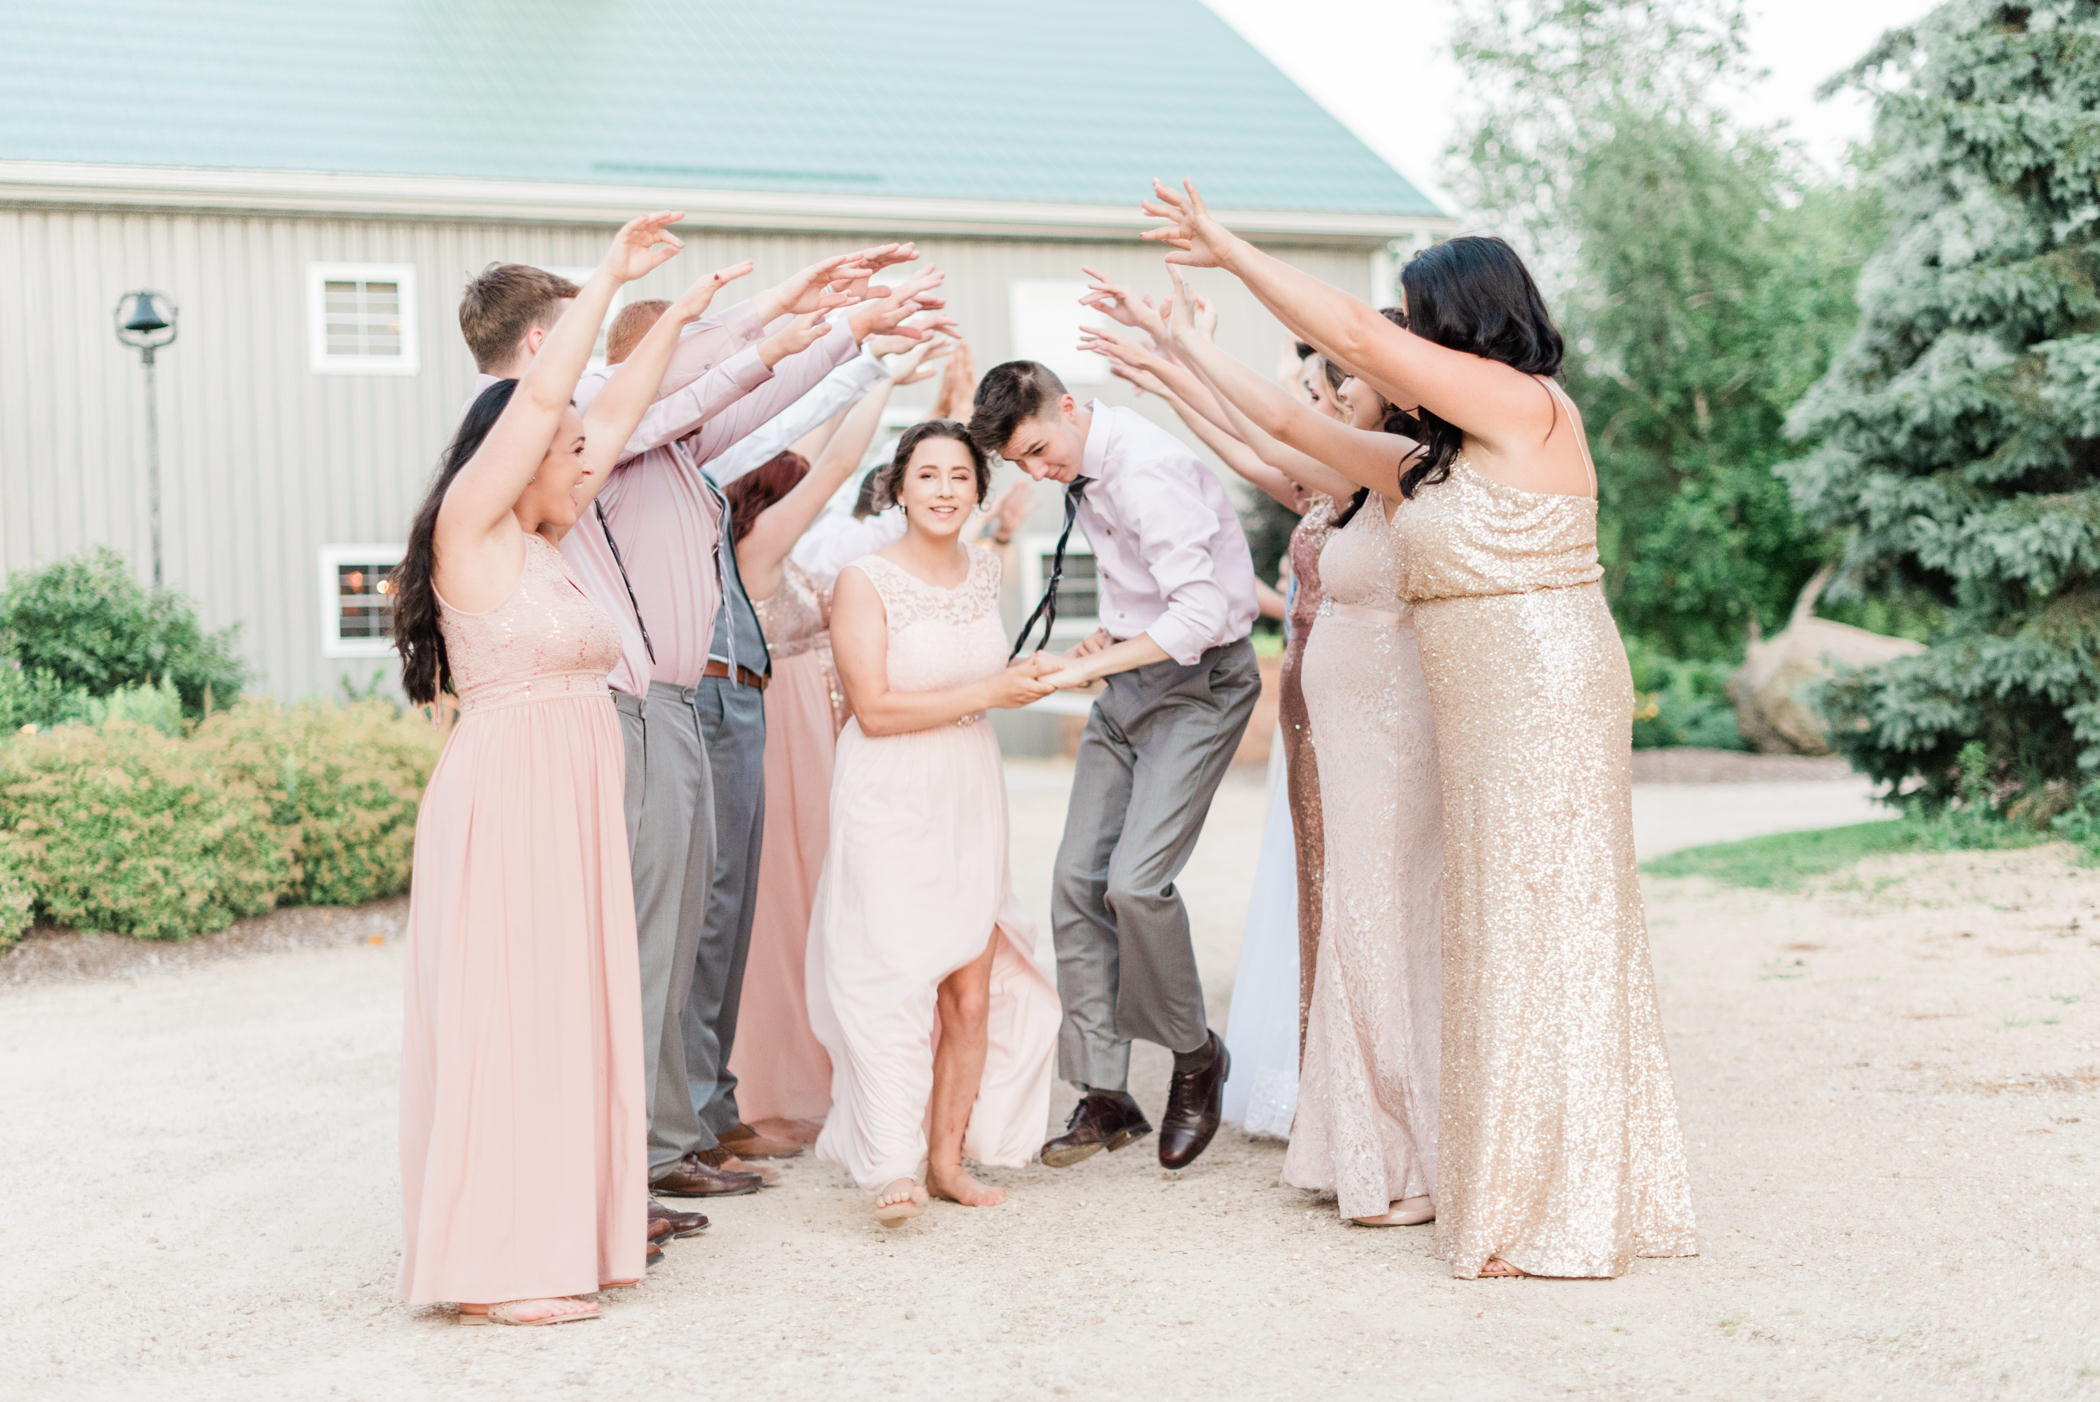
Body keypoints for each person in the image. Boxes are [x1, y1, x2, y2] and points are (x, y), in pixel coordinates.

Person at [1143, 180, 1697, 1278]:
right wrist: (1182, 353)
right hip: (1480, 699)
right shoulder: (1430, 462)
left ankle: (1563, 1198)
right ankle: (1506, 1177)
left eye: (1418, 320)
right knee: (1490, 930)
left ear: (1461, 322)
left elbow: (1350, 336)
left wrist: (1223, 243)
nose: (1395, 346)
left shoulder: (1527, 405)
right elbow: (1293, 427)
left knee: (1548, 928)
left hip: (1542, 683)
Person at [393, 211, 721, 1326]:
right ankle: (492, 1267)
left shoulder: (545, 543)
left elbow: (609, 411)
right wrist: (609, 280)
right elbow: (547, 403)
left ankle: (557, 1233)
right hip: (508, 803)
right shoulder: (473, 535)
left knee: (566, 1016)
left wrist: (674, 316)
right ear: (518, 453)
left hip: (569, 806)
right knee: (510, 1016)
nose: (587, 451)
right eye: (567, 444)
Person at [1162, 276, 1443, 1227]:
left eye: (1350, 381)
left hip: (1391, 732)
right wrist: (1177, 368)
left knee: (1381, 919)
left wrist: (1187, 355)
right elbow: (1265, 439)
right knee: (1354, 917)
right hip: (1341, 722)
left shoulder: (1396, 469)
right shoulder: (1360, 483)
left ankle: (1404, 1145)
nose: (1336, 395)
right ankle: (1364, 1139)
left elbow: (1274, 428)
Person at [968, 358, 1259, 1173]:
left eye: (1036, 449)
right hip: (1131, 682)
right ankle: (1106, 1093)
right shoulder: (1084, 467)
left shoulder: (1148, 471)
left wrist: (1077, 669)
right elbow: (1153, 592)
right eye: (1018, 463)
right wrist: (1107, 640)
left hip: (1201, 686)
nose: (1034, 470)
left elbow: (1202, 613)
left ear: (1068, 405)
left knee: (1135, 885)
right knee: (1072, 882)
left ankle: (1198, 1057)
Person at [806, 420, 1062, 1223]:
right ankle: (890, 1163)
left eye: (959, 476)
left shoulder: (986, 574)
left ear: (977, 492)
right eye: (928, 475)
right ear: (899, 487)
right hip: (888, 790)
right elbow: (874, 710)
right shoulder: (863, 580)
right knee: (889, 979)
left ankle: (948, 1160)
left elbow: (988, 675)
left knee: (971, 994)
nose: (945, 489)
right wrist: (993, 693)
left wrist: (1040, 671)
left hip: (968, 787)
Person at [722, 341, 947, 1132]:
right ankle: (793, 1077)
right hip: (787, 739)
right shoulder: (756, 552)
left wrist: (852, 376)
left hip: (816, 731)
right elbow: (831, 464)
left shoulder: (758, 539)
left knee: (833, 894)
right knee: (800, 900)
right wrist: (878, 380)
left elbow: (811, 453)